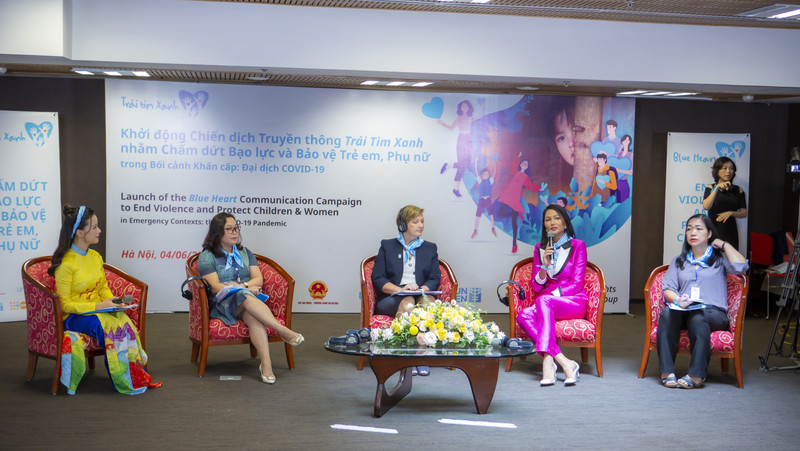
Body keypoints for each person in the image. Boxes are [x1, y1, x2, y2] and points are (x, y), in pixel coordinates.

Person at [49, 204, 160, 395]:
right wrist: (101, 306)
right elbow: (65, 305)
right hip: (74, 317)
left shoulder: (95, 257)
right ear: (79, 233)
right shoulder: (66, 264)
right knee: (105, 324)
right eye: (94, 227)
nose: (99, 231)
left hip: (97, 311)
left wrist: (115, 302)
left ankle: (134, 374)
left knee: (123, 319)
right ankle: (120, 377)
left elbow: (103, 288)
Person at [198, 213, 304, 385]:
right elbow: (216, 286)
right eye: (229, 229)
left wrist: (242, 287)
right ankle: (282, 330)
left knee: (252, 314)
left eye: (236, 228)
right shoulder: (207, 256)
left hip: (246, 301)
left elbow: (258, 279)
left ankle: (266, 364)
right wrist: (245, 287)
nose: (234, 232)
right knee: (242, 295)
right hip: (221, 303)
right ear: (217, 232)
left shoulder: (245, 252)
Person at [658, 214, 748, 389]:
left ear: (709, 234)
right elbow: (667, 288)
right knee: (668, 312)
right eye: (689, 229)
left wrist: (724, 244)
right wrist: (677, 299)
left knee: (698, 317)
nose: (693, 232)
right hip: (685, 309)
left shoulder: (719, 259)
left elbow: (741, 266)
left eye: (698, 229)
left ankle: (697, 374)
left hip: (713, 313)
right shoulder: (679, 261)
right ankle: (666, 371)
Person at [516, 204, 586, 386]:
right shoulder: (540, 248)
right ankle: (562, 361)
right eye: (548, 219)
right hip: (545, 301)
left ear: (565, 221)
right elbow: (536, 286)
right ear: (544, 225)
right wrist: (544, 267)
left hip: (573, 300)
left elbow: (577, 284)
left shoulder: (578, 246)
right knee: (523, 315)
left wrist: (552, 296)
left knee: (544, 300)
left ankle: (548, 364)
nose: (552, 222)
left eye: (556, 218)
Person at [372, 205, 440, 376]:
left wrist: (421, 289)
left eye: (422, 221)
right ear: (403, 225)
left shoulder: (429, 248)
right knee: (408, 303)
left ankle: (422, 357)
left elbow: (434, 278)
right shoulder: (387, 246)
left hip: (419, 294)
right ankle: (404, 358)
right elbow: (378, 278)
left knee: (428, 303)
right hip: (393, 298)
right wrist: (400, 289)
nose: (420, 225)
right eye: (415, 222)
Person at [439, 99, 485, 197]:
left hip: (468, 139)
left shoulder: (470, 118)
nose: (464, 108)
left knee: (466, 164)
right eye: (462, 106)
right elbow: (451, 127)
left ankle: (448, 166)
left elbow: (481, 115)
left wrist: (483, 105)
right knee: (462, 165)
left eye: (466, 106)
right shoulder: (459, 118)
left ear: (469, 108)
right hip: (461, 139)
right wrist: (442, 123)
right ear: (460, 108)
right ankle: (455, 188)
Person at [496, 153, 541, 253]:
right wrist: (518, 156)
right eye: (523, 163)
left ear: (527, 166)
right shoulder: (515, 171)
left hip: (515, 197)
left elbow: (531, 187)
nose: (525, 164)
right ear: (520, 164)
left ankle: (514, 245)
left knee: (514, 223)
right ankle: (514, 213)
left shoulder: (525, 177)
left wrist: (539, 188)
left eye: (526, 164)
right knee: (500, 213)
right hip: (508, 195)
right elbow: (513, 165)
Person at [701, 157, 747, 250]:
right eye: (725, 168)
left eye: (731, 168)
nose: (728, 171)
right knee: (713, 261)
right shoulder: (711, 188)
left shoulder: (738, 190)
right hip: (714, 230)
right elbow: (706, 206)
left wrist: (731, 213)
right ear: (717, 170)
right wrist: (716, 188)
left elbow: (744, 212)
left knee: (731, 261)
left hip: (731, 231)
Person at [470, 167, 497, 238]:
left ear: (488, 175)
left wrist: (494, 164)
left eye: (487, 174)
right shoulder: (480, 181)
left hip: (488, 200)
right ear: (482, 175)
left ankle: (493, 228)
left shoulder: (490, 181)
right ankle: (475, 230)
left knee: (491, 214)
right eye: (484, 174)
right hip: (481, 200)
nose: (485, 175)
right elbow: (476, 172)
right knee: (477, 215)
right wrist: (475, 162)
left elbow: (494, 173)